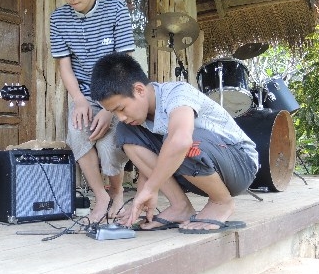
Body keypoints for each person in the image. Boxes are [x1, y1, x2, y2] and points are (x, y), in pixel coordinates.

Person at [90, 52, 259, 233]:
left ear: (139, 90)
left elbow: (181, 141)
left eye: (121, 109)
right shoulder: (139, 120)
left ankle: (221, 202)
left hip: (240, 165)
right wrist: (141, 198)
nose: (121, 117)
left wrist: (151, 188)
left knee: (179, 139)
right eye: (114, 113)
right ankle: (180, 206)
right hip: (199, 171)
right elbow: (149, 161)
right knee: (126, 132)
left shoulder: (178, 93)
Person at [49, 0, 135, 222]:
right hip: (83, 94)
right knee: (78, 134)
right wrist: (79, 101)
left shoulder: (116, 9)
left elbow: (123, 63)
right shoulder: (58, 19)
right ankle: (101, 196)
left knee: (109, 147)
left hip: (116, 92)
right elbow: (65, 66)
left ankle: (117, 191)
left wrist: (109, 109)